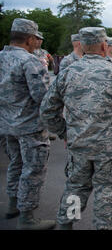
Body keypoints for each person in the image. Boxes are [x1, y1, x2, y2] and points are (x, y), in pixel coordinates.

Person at [40, 27, 112, 230]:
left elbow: (47, 111)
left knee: (76, 188)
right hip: (109, 149)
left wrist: (65, 133)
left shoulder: (67, 73)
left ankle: (66, 224)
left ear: (83, 46)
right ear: (104, 45)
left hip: (78, 145)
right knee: (107, 191)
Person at [0, 18, 55, 229]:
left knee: (16, 163)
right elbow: (43, 97)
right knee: (33, 170)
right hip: (30, 127)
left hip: (6, 125)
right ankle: (27, 219)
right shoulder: (30, 61)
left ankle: (13, 204)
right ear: (30, 39)